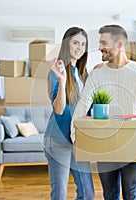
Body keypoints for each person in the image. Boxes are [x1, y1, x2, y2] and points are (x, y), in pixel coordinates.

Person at [71, 24, 136, 200]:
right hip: (105, 144)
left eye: (104, 42)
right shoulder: (97, 74)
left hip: (133, 145)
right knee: (110, 195)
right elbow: (82, 106)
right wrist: (75, 137)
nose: (100, 47)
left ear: (119, 44)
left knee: (132, 195)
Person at [43, 27, 94, 200]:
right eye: (75, 42)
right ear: (66, 44)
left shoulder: (83, 73)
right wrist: (62, 80)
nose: (79, 47)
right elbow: (59, 109)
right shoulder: (57, 69)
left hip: (78, 141)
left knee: (87, 193)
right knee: (59, 195)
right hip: (58, 141)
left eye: (83, 44)